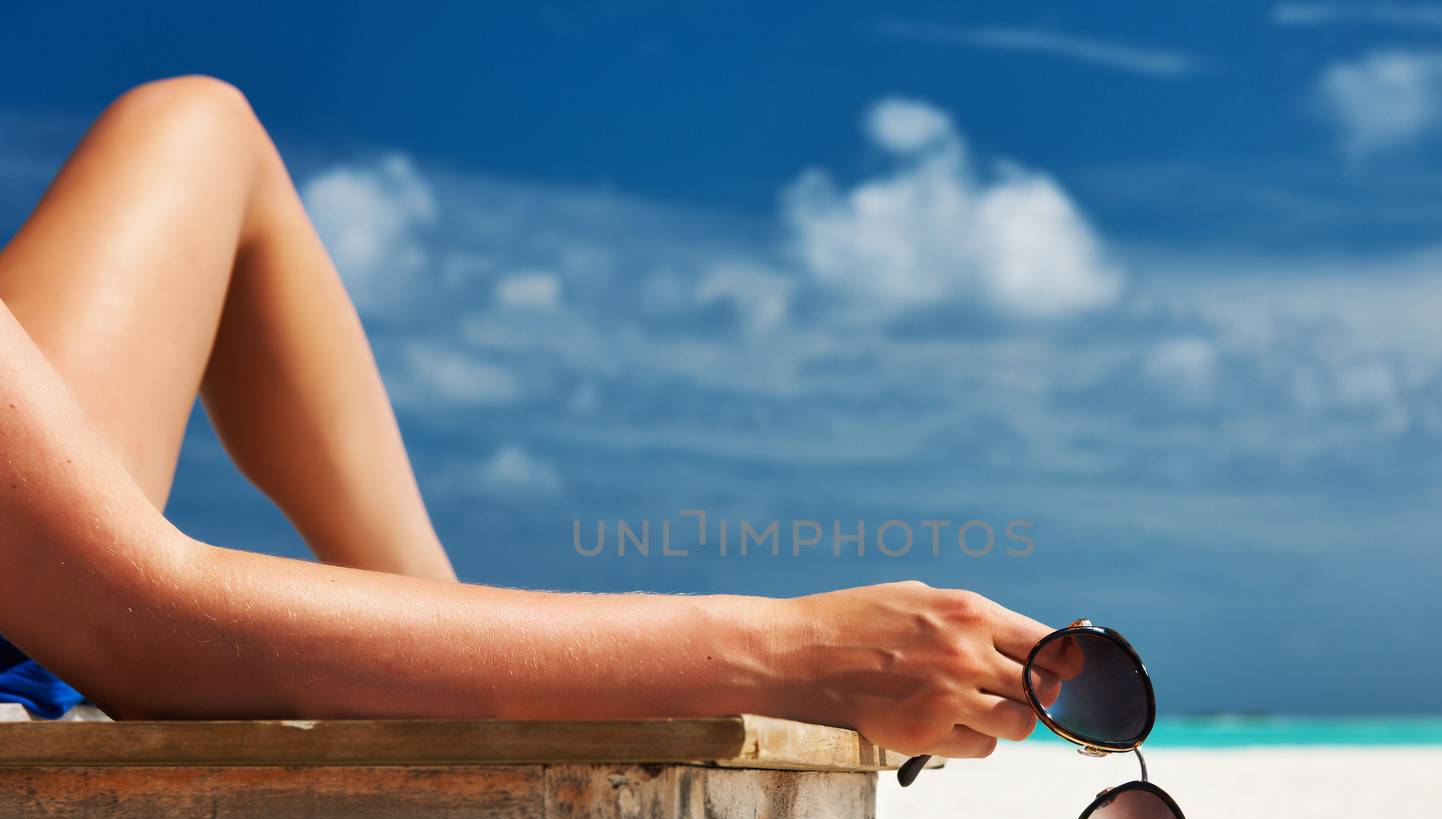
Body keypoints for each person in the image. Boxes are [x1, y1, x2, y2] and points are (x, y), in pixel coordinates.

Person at [0, 76, 1048, 759]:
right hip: (74, 626)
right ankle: (449, 661)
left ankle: (437, 623)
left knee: (198, 124)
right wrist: (791, 648)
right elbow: (147, 634)